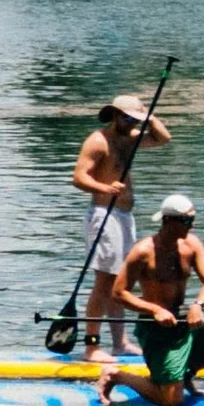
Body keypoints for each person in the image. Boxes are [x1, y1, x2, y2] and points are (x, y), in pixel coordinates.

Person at [97, 194, 204, 406]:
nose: (192, 225)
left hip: (185, 320)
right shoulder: (143, 251)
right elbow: (119, 293)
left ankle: (183, 374)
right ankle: (116, 375)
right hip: (156, 329)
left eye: (192, 219)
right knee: (172, 402)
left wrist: (198, 305)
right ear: (168, 221)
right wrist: (155, 309)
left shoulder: (192, 244)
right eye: (186, 221)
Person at [72, 91, 170, 364]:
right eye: (127, 117)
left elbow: (164, 139)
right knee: (104, 281)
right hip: (103, 215)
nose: (131, 123)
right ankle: (92, 346)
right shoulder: (98, 141)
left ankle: (120, 343)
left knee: (121, 282)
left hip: (124, 217)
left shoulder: (130, 140)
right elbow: (78, 177)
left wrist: (149, 118)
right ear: (114, 115)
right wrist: (105, 187)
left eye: (134, 118)